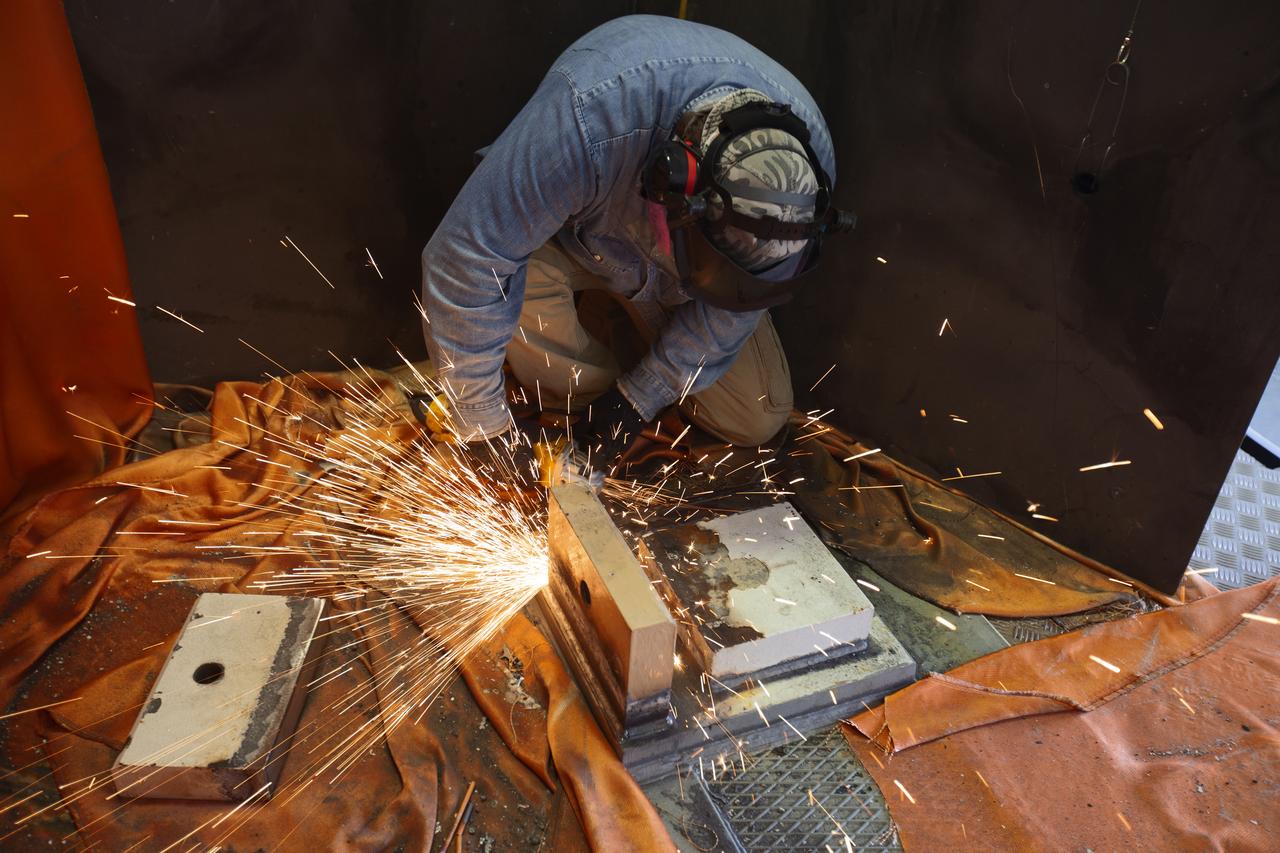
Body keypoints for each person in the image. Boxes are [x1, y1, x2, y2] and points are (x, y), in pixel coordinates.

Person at [421, 14, 852, 468]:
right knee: (510, 285)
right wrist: (481, 425)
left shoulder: (808, 172)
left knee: (757, 418)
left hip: (673, 276)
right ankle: (580, 397)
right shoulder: (588, 119)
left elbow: (740, 303)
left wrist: (635, 401)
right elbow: (466, 257)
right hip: (576, 241)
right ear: (673, 182)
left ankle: (616, 361)